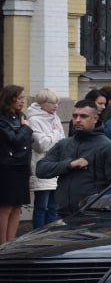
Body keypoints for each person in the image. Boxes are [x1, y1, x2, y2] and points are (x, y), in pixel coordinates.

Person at [36, 101, 111, 215]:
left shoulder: (107, 147)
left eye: (83, 116)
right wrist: (69, 165)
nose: (77, 120)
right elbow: (41, 169)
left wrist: (101, 208)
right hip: (63, 213)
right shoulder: (64, 144)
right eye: (75, 116)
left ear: (95, 119)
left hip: (93, 217)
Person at [27, 88, 65, 229]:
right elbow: (40, 145)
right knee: (41, 206)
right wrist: (54, 132)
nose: (55, 106)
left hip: (55, 166)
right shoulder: (34, 119)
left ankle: (51, 234)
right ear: (42, 103)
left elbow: (62, 143)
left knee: (53, 206)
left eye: (57, 103)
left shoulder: (55, 117)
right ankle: (38, 235)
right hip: (41, 165)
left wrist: (51, 138)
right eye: (51, 103)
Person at [0, 85, 32, 243]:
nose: (22, 101)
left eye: (23, 98)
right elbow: (14, 140)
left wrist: (29, 172)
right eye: (19, 98)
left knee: (17, 207)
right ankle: (2, 245)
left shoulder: (20, 116)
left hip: (21, 167)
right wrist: (25, 128)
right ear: (9, 98)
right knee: (5, 207)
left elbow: (27, 146)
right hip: (7, 167)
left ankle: (11, 243)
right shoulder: (2, 119)